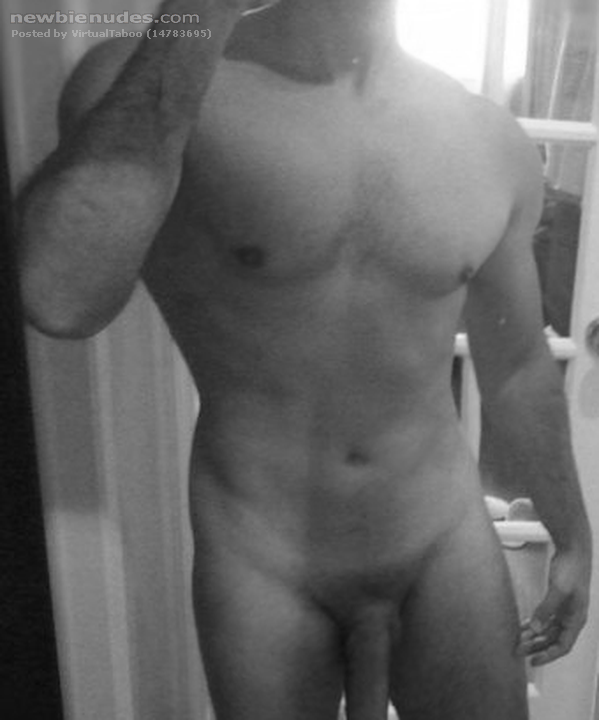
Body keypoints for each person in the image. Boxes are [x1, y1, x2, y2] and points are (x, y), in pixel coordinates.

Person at [16, 1, 592, 718]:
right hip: (264, 554)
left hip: (442, 540)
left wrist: (572, 536)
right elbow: (60, 296)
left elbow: (518, 366)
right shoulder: (152, 83)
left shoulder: (488, 139)